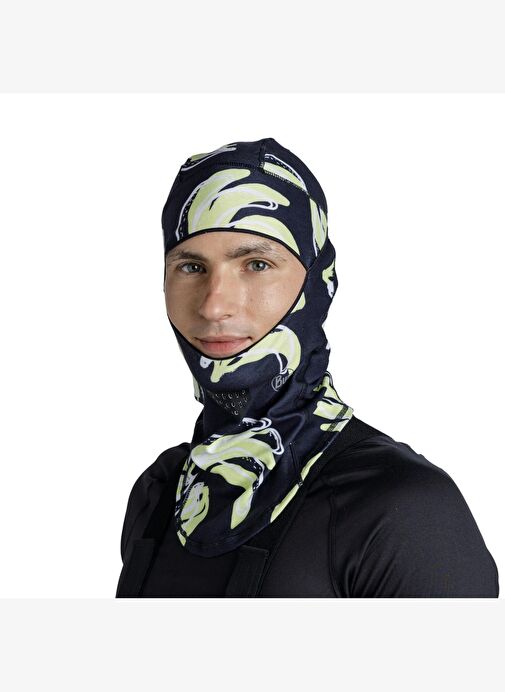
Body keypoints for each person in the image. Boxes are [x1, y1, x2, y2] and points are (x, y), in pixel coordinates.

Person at [116, 137, 499, 597]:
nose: (214, 306)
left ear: (319, 283)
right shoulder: (162, 493)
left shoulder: (404, 509)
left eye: (257, 264)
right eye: (191, 267)